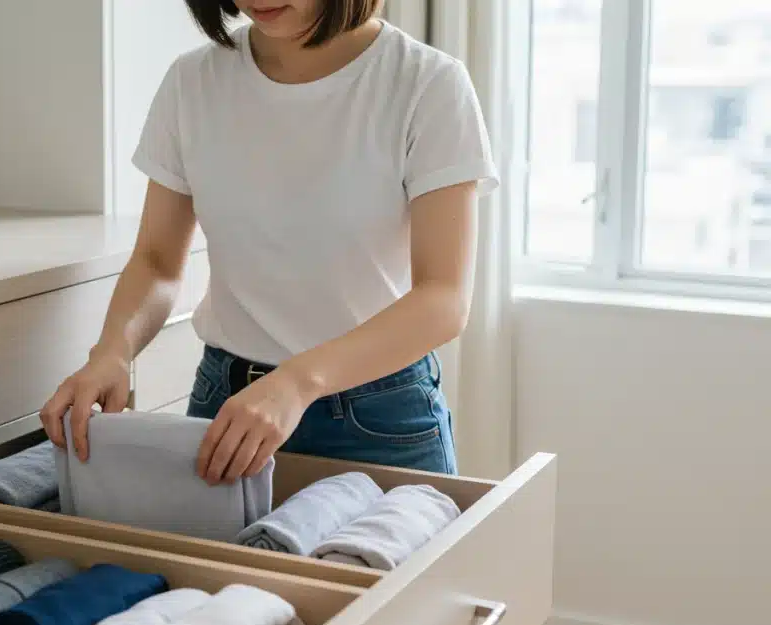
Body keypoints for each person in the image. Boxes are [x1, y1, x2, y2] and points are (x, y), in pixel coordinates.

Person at [40, 0, 498, 484]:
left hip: (377, 418)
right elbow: (156, 261)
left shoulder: (427, 84)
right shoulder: (193, 81)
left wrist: (297, 383)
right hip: (226, 405)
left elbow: (443, 299)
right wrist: (113, 352)